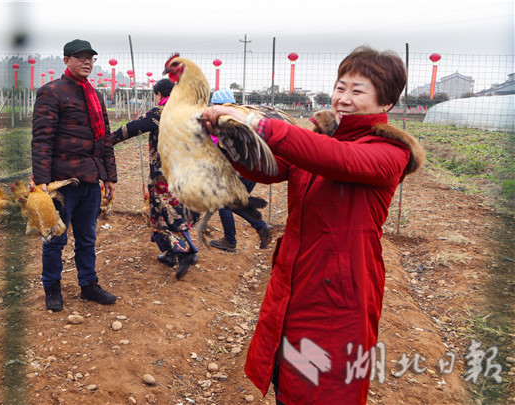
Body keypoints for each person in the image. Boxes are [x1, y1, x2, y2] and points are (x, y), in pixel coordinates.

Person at [202, 46, 425, 404]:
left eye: (358, 90)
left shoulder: (389, 153)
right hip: (295, 276)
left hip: (340, 290)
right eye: (341, 87)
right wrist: (225, 138)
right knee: (286, 373)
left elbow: (337, 159)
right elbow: (272, 168)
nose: (344, 98)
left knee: (323, 386)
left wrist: (260, 124)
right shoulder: (321, 138)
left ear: (385, 103)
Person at [32, 39, 118, 312]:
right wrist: (42, 180)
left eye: (90, 58)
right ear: (66, 60)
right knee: (55, 237)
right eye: (80, 57)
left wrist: (110, 176)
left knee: (87, 237)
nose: (87, 62)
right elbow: (42, 139)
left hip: (91, 180)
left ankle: (88, 284)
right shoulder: (52, 92)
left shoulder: (96, 95)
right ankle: (52, 287)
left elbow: (104, 139)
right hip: (63, 182)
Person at [110, 78, 198, 280]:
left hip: (164, 173)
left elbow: (132, 128)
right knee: (164, 211)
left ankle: (186, 252)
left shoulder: (162, 111)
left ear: (158, 94)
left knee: (168, 212)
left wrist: (108, 141)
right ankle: (169, 253)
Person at [208, 90, 273, 253]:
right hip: (255, 171)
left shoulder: (224, 123)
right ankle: (261, 227)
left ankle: (230, 241)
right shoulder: (244, 117)